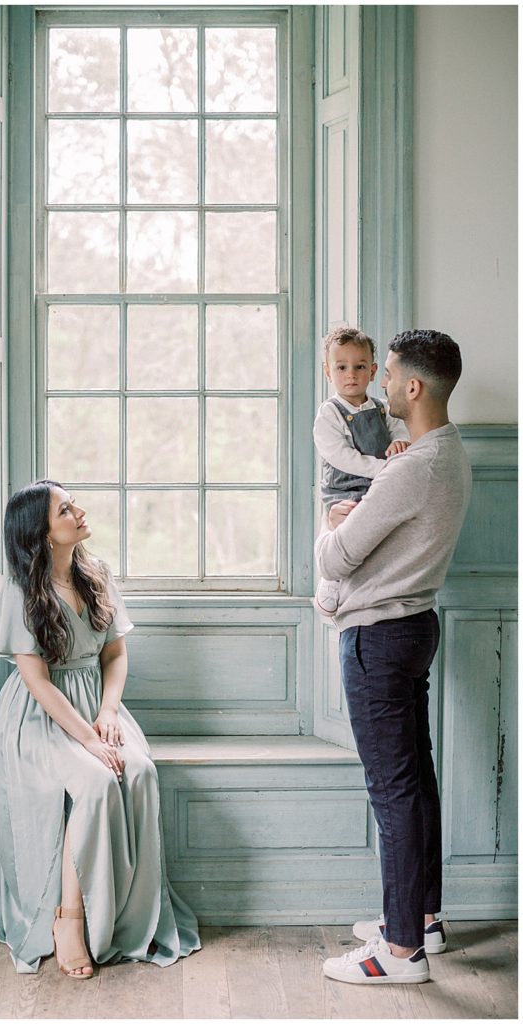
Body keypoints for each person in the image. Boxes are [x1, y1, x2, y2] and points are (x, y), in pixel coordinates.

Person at [0, 480, 200, 977]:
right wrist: (89, 739)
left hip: (97, 704)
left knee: (139, 772)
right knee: (97, 783)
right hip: (40, 715)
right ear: (42, 532)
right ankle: (68, 920)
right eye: (65, 510)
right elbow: (35, 679)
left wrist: (108, 714)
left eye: (73, 503)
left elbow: (115, 653)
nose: (79, 512)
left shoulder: (95, 574)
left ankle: (127, 919)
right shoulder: (21, 589)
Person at [315, 329, 471, 985]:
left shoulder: (410, 467)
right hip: (412, 627)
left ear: (412, 386)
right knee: (415, 779)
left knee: (394, 790)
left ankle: (401, 950)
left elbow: (337, 556)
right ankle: (422, 919)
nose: (378, 384)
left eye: (388, 376)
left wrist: (331, 528)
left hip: (379, 637)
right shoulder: (449, 451)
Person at [313, 326, 409, 617]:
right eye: (341, 367)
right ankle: (330, 582)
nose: (351, 374)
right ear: (328, 372)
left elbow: (399, 427)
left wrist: (398, 441)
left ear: (373, 371)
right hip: (345, 487)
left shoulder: (382, 407)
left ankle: (371, 586)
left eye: (360, 367)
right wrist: (382, 467)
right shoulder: (330, 412)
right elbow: (342, 457)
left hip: (378, 484)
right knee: (343, 534)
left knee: (378, 535)